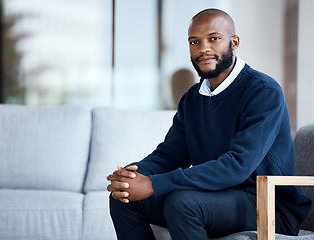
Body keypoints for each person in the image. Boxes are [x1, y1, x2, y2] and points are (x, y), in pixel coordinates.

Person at [106, 8, 311, 240]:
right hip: (215, 196)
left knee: (182, 203)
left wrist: (154, 184)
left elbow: (238, 165)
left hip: (268, 204)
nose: (203, 48)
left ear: (234, 42)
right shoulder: (193, 98)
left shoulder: (263, 91)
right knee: (124, 199)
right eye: (194, 42)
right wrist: (132, 177)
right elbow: (169, 155)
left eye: (214, 38)